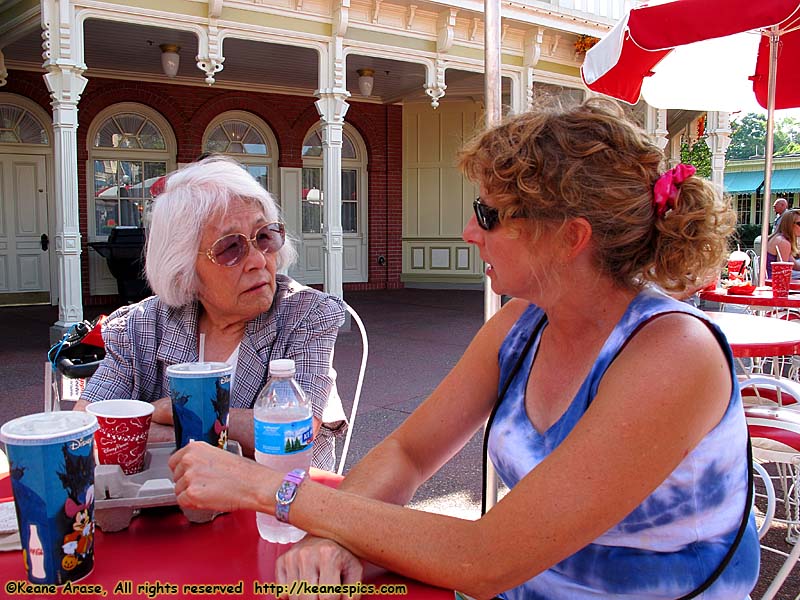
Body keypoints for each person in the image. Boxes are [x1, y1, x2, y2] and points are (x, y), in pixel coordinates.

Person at [169, 99, 759, 599]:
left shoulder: (674, 354)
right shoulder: (522, 325)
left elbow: (485, 557)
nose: (469, 232)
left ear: (570, 236)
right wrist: (333, 538)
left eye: (488, 214)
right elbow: (407, 451)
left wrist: (267, 490)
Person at [76, 156, 347, 471]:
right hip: (167, 503)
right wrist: (228, 426)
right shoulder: (141, 325)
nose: (259, 260)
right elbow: (88, 428)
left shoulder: (307, 313)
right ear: (184, 268)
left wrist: (169, 411)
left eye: (264, 236)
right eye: (231, 247)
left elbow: (292, 434)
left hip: (276, 504)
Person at [765, 208, 800, 280]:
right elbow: (783, 274)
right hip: (772, 284)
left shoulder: (778, 237)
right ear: (790, 224)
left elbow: (795, 265)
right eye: (799, 224)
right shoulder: (783, 243)